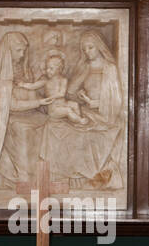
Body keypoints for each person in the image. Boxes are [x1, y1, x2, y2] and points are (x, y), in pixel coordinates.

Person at [41, 30, 124, 189]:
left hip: (105, 115)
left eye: (90, 47)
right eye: (84, 49)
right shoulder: (85, 66)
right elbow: (70, 92)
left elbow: (117, 100)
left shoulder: (110, 68)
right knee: (57, 128)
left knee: (83, 135)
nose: (87, 52)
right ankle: (68, 178)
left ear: (99, 47)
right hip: (85, 111)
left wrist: (96, 103)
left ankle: (92, 179)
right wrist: (80, 96)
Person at [0, 31, 49, 191]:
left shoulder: (24, 69)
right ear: (8, 50)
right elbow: (12, 105)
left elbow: (36, 88)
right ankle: (25, 176)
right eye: (18, 50)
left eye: (24, 51)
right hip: (5, 120)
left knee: (52, 125)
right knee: (24, 130)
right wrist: (38, 101)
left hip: (30, 114)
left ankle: (46, 175)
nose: (22, 55)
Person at [17, 53, 87, 126]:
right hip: (54, 109)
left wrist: (50, 97)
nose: (48, 71)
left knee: (75, 105)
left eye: (51, 68)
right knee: (68, 110)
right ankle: (80, 120)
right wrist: (23, 85)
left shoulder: (64, 80)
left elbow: (61, 94)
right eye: (47, 68)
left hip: (63, 103)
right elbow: (33, 86)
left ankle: (76, 120)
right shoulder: (45, 81)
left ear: (59, 69)